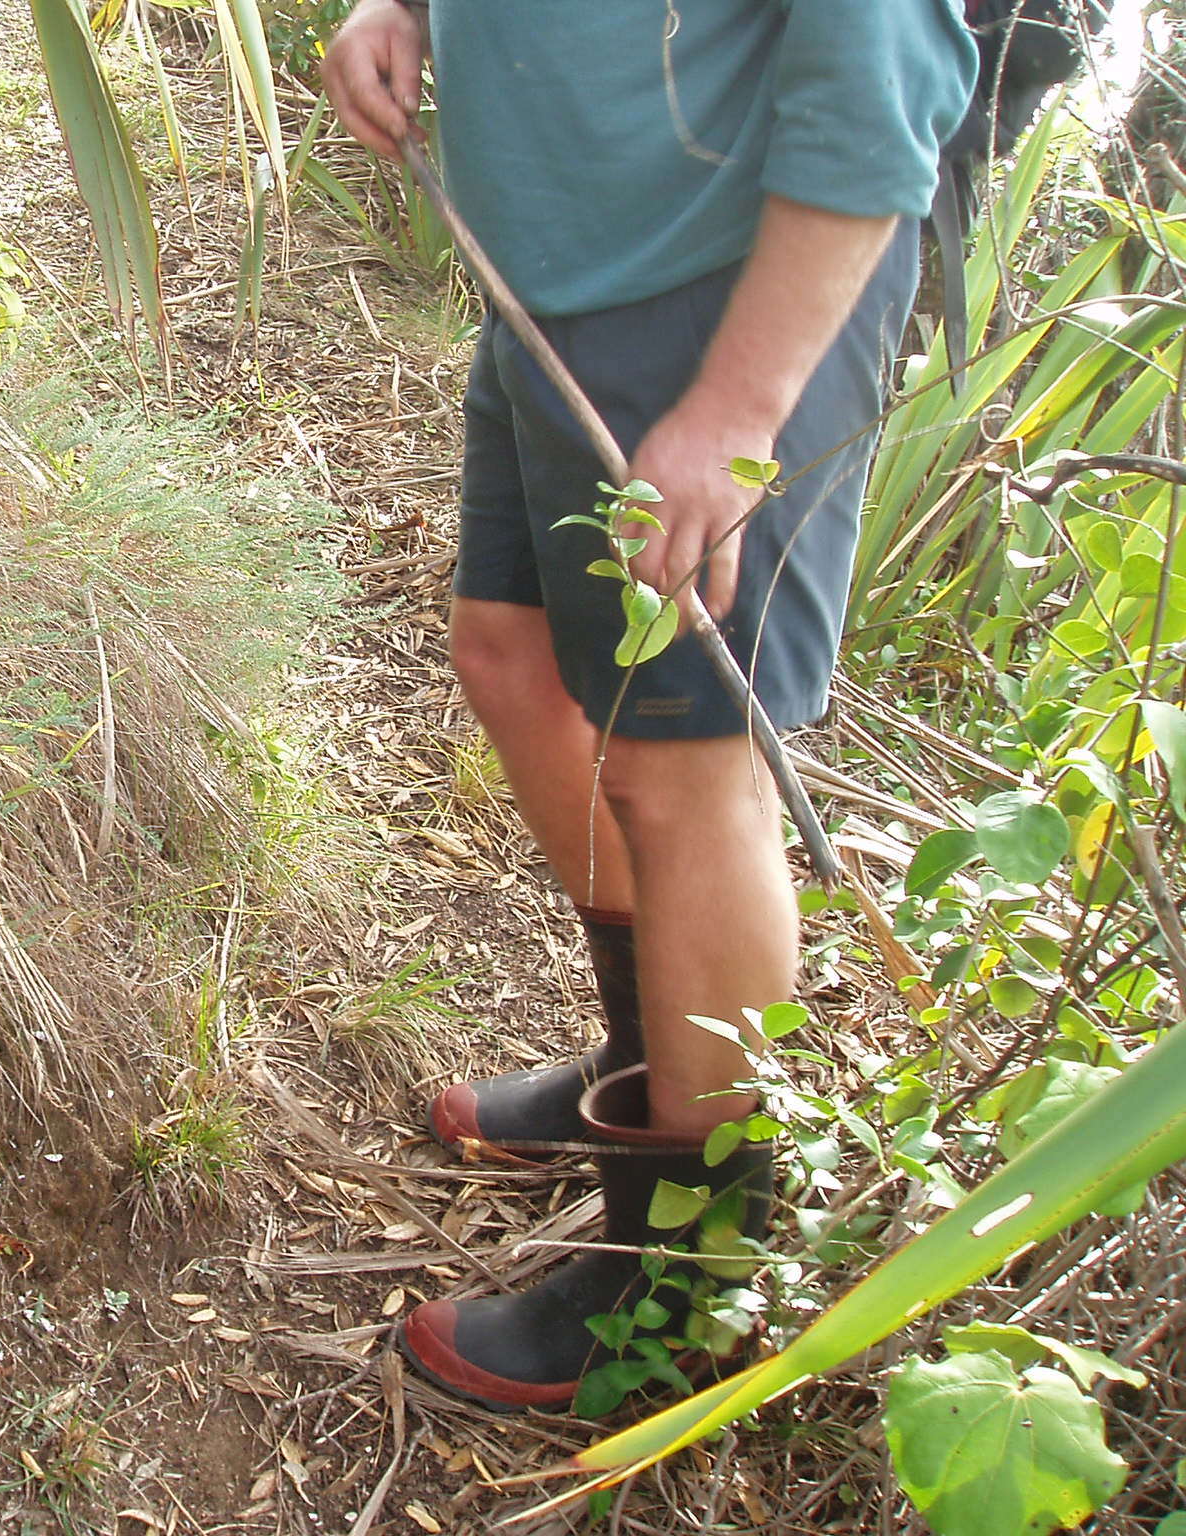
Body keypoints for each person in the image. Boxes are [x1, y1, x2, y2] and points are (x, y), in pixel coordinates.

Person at [323, 2, 977, 1410]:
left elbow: (884, 75)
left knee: (685, 774)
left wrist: (739, 411)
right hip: (557, 271)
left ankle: (689, 1277)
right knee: (506, 650)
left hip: (720, 287)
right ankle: (649, 1065)